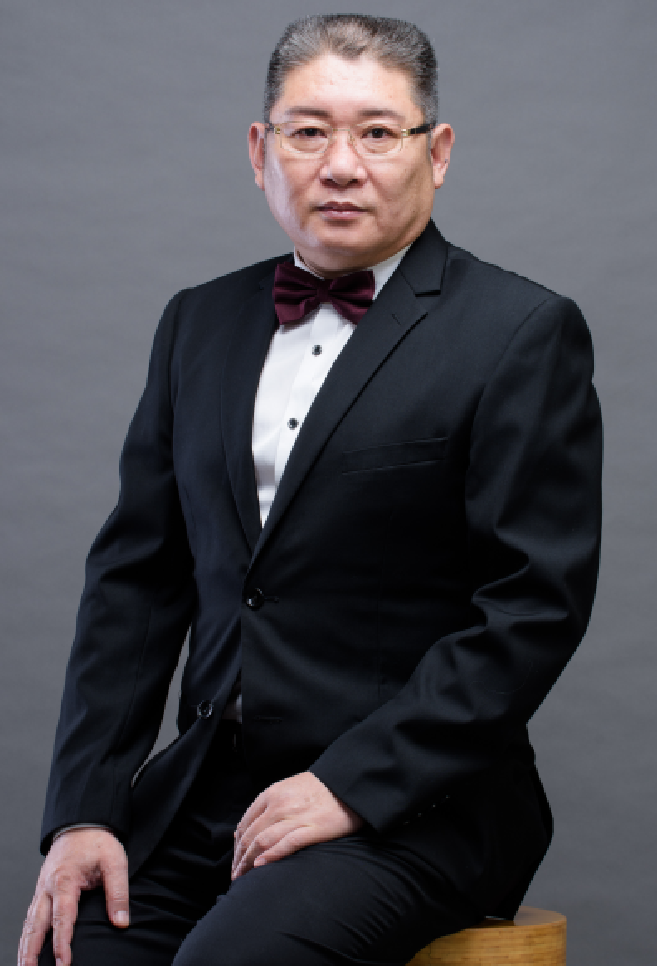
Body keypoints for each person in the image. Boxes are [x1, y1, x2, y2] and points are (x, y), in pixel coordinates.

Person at [19, 14, 602, 967]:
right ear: (261, 151)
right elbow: (136, 581)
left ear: (436, 153)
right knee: (69, 953)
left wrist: (350, 784)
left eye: (376, 132)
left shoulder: (519, 332)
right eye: (307, 131)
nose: (339, 165)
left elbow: (531, 608)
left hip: (419, 801)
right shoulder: (196, 323)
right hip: (208, 792)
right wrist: (85, 808)